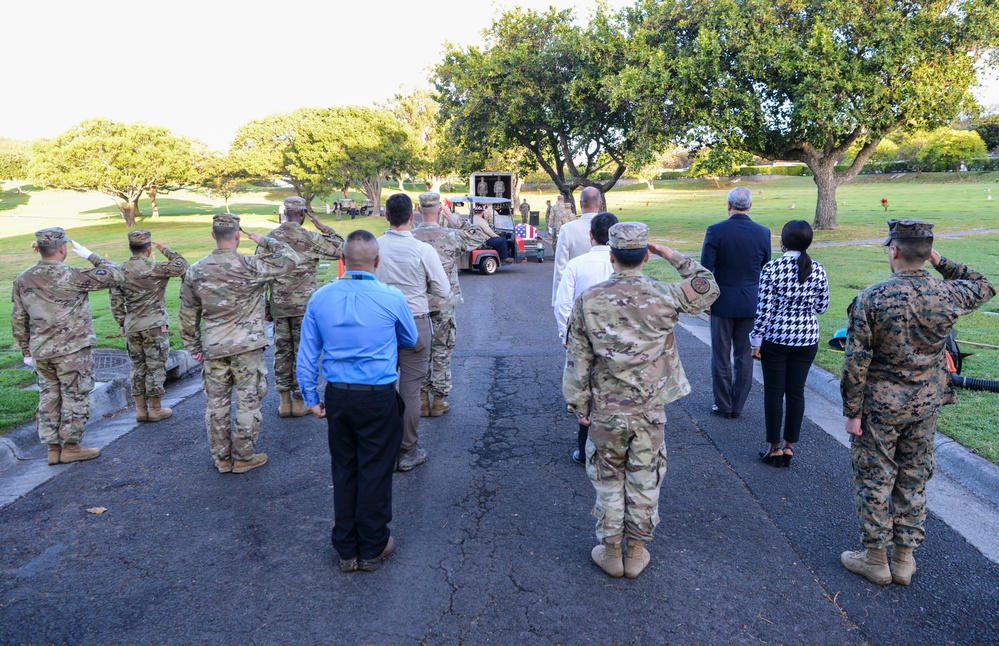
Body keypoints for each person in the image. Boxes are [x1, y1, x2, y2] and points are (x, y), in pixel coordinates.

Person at [839, 219, 994, 586]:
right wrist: (938, 260)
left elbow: (855, 362)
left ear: (893, 251)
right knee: (913, 478)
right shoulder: (947, 293)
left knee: (875, 480)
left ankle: (876, 559)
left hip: (879, 407)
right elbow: (984, 286)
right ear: (926, 254)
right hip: (926, 405)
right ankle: (904, 559)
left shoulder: (871, 297)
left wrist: (851, 413)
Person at [564, 222, 719, 579]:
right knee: (644, 480)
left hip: (606, 410)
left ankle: (611, 550)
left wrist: (579, 406)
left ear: (612, 256)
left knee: (608, 481)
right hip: (649, 410)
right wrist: (673, 255)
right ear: (646, 256)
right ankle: (636, 552)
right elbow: (708, 287)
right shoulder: (666, 295)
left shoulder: (589, 299)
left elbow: (578, 360)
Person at [297, 230, 417, 573]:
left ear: (342, 261)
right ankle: (374, 545)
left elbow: (307, 354)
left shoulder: (320, 298)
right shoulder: (391, 297)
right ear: (377, 262)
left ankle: (346, 547)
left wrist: (311, 397)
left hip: (338, 395)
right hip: (377, 396)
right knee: (376, 470)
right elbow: (409, 337)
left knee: (345, 468)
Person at [179, 214, 300, 474]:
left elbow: (188, 313)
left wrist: (194, 346)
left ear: (213, 235)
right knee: (248, 402)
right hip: (247, 347)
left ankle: (222, 458)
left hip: (214, 347)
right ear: (237, 235)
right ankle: (244, 457)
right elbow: (291, 259)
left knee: (217, 404)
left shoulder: (196, 270)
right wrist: (265, 241)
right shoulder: (251, 265)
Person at [13, 228, 124, 465]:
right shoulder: (73, 275)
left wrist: (25, 350)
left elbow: (18, 318)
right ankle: (71, 447)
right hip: (72, 351)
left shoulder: (23, 278)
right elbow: (116, 275)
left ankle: (53, 449)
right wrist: (91, 256)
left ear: (40, 249)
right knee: (75, 395)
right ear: (63, 248)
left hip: (41, 350)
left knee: (49, 396)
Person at [376, 194, 449, 471]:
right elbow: (442, 290)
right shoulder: (422, 250)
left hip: (380, 324)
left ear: (386, 216)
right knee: (410, 389)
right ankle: (407, 450)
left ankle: (380, 447)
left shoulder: (376, 248)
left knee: (380, 386)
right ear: (411, 216)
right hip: (414, 321)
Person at [749, 220, 829, 467]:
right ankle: (789, 446)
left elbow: (764, 309)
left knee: (774, 392)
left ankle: (773, 448)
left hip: (776, 336)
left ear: (783, 242)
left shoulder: (772, 269)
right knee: (796, 392)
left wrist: (756, 341)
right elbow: (822, 307)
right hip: (807, 337)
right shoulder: (818, 269)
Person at [261, 196, 344, 418]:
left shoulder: (269, 238)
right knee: (303, 353)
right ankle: (301, 400)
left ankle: (284, 401)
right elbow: (341, 248)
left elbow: (260, 276)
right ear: (302, 214)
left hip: (278, 305)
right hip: (304, 307)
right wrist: (325, 227)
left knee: (281, 352)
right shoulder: (309, 237)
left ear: (284, 213)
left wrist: (265, 307)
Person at [412, 192, 488, 417]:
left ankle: (422, 399)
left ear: (418, 209)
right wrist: (454, 217)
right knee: (442, 350)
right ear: (439, 210)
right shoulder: (450, 235)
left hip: (418, 303)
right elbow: (478, 236)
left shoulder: (410, 237)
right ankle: (438, 401)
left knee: (420, 351)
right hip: (444, 302)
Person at [701, 186, 771, 419]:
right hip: (751, 301)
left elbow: (705, 271)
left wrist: (705, 299)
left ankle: (723, 404)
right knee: (744, 356)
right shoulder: (763, 232)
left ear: (728, 205)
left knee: (721, 356)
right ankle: (737, 405)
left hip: (721, 301)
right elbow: (765, 268)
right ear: (750, 206)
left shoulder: (715, 230)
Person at [554, 212, 618, 466]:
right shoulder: (622, 264)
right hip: (615, 341)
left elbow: (563, 304)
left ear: (591, 236)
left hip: (584, 338)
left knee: (585, 397)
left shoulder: (577, 265)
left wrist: (565, 335)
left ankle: (585, 450)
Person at [110, 230, 189, 423]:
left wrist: (122, 322)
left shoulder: (120, 270)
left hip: (132, 326)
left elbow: (115, 301)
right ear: (149, 247)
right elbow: (184, 266)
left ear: (130, 247)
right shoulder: (156, 267)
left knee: (137, 367)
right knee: (155, 366)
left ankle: (140, 409)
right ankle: (155, 408)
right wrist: (165, 249)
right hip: (155, 325)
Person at [552, 186, 603, 306]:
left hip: (576, 297)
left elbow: (560, 268)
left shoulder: (567, 229)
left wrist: (558, 301)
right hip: (604, 296)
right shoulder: (611, 228)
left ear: (580, 204)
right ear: (600, 203)